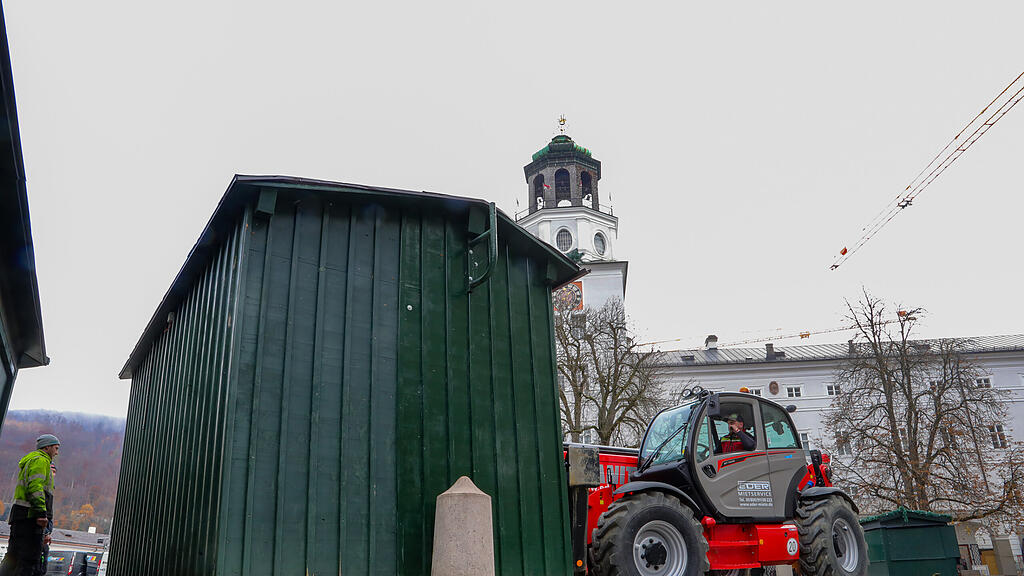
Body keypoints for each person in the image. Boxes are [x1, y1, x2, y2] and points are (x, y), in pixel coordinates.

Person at [0, 434, 59, 576]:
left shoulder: (32, 460)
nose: (57, 453)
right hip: (30, 518)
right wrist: (41, 514)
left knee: (13, 557)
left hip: (21, 516)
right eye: (56, 448)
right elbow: (35, 488)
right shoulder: (41, 461)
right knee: (28, 559)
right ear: (47, 447)